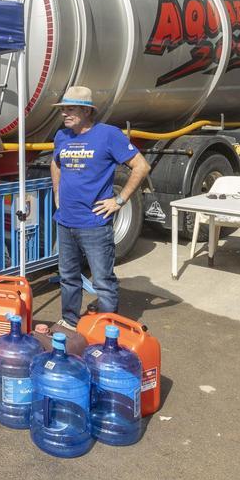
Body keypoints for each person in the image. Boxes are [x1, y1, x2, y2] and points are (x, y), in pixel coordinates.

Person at [49, 86, 150, 330]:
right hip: (65, 221)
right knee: (68, 277)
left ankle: (107, 329)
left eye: (70, 109)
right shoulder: (62, 136)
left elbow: (141, 166)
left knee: (103, 280)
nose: (64, 114)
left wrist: (119, 200)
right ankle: (71, 321)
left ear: (86, 111)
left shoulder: (108, 135)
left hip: (94, 224)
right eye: (63, 109)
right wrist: (57, 192)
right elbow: (56, 163)